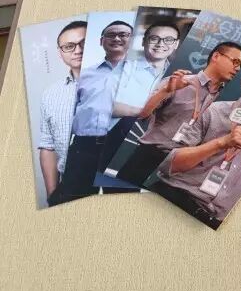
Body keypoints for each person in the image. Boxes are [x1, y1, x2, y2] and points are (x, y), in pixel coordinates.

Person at [150, 57, 241, 230]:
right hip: (172, 198)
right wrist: (222, 142)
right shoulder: (211, 110)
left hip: (216, 223)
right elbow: (170, 165)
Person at [116, 41, 241, 186]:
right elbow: (142, 114)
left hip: (183, 166)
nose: (237, 68)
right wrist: (166, 90)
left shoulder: (224, 100)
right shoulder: (179, 82)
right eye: (235, 61)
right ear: (216, 56)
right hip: (149, 155)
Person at [58, 20, 133, 201]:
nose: (116, 38)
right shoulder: (84, 74)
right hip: (84, 147)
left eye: (123, 34)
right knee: (72, 202)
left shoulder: (143, 74)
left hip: (122, 148)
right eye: (111, 35)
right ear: (101, 41)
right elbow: (68, 113)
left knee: (122, 204)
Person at [96, 21, 181, 177]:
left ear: (176, 44)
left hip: (144, 151)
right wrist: (144, 111)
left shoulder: (177, 77)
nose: (161, 44)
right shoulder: (123, 67)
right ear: (144, 41)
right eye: (154, 38)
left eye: (168, 40)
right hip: (107, 143)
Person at [40, 20, 87, 206]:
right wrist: (53, 195)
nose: (78, 50)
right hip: (69, 187)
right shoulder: (50, 94)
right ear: (60, 53)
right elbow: (48, 146)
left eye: (84, 43)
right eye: (69, 46)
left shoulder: (119, 84)